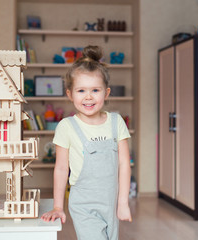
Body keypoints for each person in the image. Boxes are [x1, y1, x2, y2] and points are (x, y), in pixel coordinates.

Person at [41, 45, 132, 240]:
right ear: (70, 94)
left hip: (111, 201)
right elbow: (61, 168)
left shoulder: (117, 123)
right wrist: (58, 206)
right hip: (83, 204)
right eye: (81, 90)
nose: (88, 96)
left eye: (95, 90)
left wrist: (123, 203)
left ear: (106, 93)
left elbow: (124, 164)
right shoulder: (66, 127)